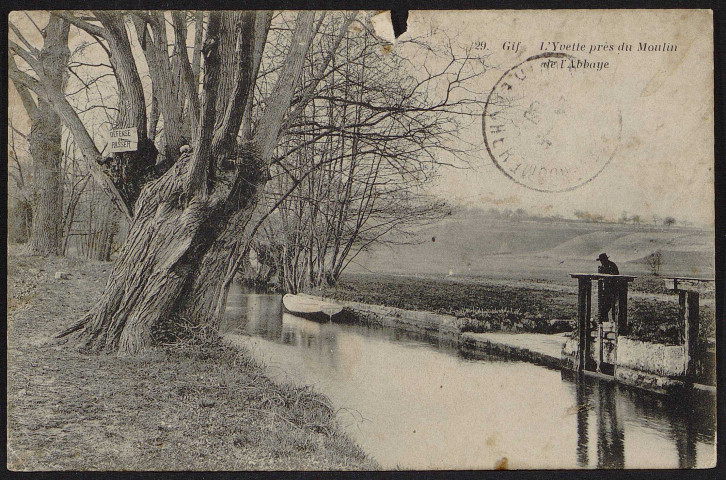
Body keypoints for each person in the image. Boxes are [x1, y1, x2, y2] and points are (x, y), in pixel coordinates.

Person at [596, 253, 619, 327]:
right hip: (606, 290)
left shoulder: (612, 266)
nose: (601, 262)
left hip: (613, 289)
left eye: (602, 260)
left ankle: (614, 325)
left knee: (612, 308)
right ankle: (604, 324)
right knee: (603, 308)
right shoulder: (604, 266)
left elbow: (615, 276)